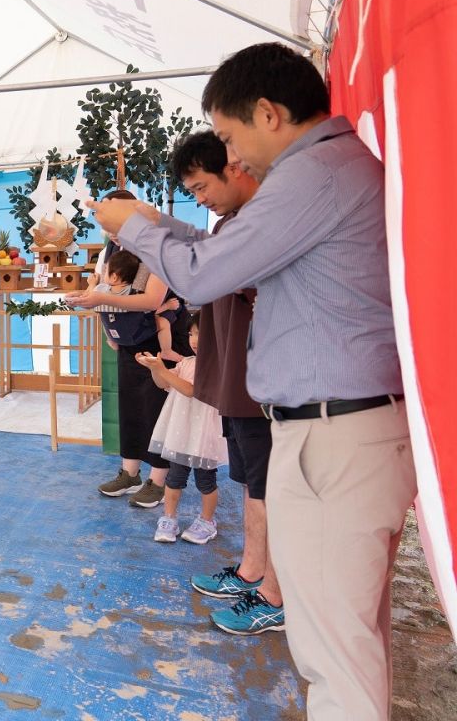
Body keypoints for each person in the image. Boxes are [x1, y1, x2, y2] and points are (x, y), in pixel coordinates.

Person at [89, 42, 413, 721]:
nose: (232, 160)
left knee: (334, 651)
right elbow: (222, 250)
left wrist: (137, 233)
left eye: (232, 139)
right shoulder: (330, 170)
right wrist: (151, 225)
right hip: (340, 426)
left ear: (269, 113)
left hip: (334, 432)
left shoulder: (314, 174)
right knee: (348, 638)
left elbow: (205, 273)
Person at [162, 130, 284, 636]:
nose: (200, 198)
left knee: (267, 485)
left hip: (259, 380)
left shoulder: (262, 222)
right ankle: (254, 571)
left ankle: (273, 592)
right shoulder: (231, 225)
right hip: (237, 377)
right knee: (254, 483)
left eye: (200, 186)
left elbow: (203, 275)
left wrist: (152, 231)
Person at [65, 189, 190, 509]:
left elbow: (152, 300)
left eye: (110, 218)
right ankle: (130, 472)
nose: (106, 227)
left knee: (157, 408)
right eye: (103, 221)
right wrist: (90, 303)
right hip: (128, 339)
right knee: (131, 406)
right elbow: (97, 285)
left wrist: (102, 300)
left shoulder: (155, 247)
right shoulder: (111, 248)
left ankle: (159, 479)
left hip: (160, 338)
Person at [135, 312, 227, 545]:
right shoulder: (186, 362)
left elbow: (190, 390)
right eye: (191, 333)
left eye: (201, 334)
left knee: (205, 480)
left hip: (203, 434)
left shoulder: (216, 366)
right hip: (181, 432)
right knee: (174, 478)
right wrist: (155, 368)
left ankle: (207, 521)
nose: (194, 339)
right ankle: (169, 518)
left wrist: (162, 369)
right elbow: (163, 383)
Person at [95, 249, 183, 361]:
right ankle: (166, 351)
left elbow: (90, 297)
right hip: (135, 334)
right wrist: (167, 306)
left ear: (114, 277)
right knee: (163, 322)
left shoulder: (101, 289)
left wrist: (92, 283)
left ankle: (110, 340)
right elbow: (148, 312)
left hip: (115, 337)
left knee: (105, 316)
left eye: (106, 270)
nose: (103, 272)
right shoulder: (133, 293)